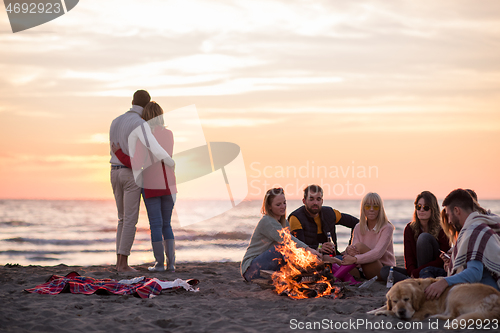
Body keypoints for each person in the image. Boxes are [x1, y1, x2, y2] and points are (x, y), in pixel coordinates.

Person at [109, 90, 175, 272]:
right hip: (131, 173)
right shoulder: (141, 124)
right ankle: (123, 264)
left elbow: (113, 147)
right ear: (146, 106)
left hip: (114, 171)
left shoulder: (115, 121)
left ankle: (119, 262)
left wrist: (118, 154)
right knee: (131, 219)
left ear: (132, 101)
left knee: (122, 219)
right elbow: (151, 151)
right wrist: (170, 161)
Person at [425, 189, 500, 300]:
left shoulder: (474, 230)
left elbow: (475, 273)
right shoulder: (481, 224)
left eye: (448, 215)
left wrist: (444, 282)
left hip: (491, 297)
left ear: (456, 210)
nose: (449, 221)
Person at [241, 188, 320, 282]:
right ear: (269, 206)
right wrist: (307, 249)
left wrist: (314, 251)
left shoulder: (284, 223)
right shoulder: (267, 221)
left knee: (293, 253)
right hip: (251, 269)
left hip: (268, 266)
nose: (283, 206)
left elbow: (294, 245)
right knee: (283, 247)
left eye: (284, 203)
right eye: (278, 204)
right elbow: (287, 240)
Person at [380, 191, 450, 283]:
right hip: (416, 272)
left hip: (434, 271)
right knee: (385, 271)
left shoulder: (442, 228)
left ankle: (416, 280)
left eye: (426, 207)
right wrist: (413, 272)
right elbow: (409, 259)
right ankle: (413, 281)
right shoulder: (409, 228)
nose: (421, 210)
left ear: (433, 209)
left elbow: (443, 259)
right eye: (418, 207)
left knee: (424, 238)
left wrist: (419, 271)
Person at [289, 185, 359, 259]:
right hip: (308, 260)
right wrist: (319, 247)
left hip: (333, 258)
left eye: (318, 199)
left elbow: (357, 223)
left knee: (354, 263)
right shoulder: (296, 218)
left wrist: (350, 247)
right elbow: (298, 246)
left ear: (322, 201)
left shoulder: (330, 213)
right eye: (311, 199)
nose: (315, 203)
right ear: (304, 201)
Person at [342, 192, 396, 280]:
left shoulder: (387, 227)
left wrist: (355, 259)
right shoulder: (358, 227)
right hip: (362, 268)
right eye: (367, 206)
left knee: (360, 246)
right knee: (334, 262)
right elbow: (354, 251)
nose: (371, 209)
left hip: (383, 271)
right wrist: (349, 250)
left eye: (375, 206)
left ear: (380, 209)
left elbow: (377, 253)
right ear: (363, 209)